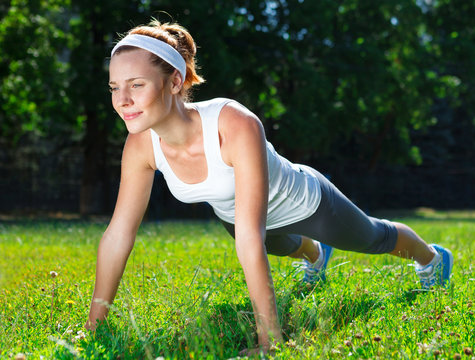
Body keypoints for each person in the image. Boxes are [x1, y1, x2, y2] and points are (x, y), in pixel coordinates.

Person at [85, 19, 453, 354]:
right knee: (279, 247)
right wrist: (94, 326)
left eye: (137, 85)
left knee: (373, 238)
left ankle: (433, 259)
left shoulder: (234, 123)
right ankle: (315, 256)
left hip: (305, 203)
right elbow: (118, 234)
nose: (122, 100)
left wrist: (269, 341)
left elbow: (250, 234)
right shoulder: (140, 146)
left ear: (175, 82)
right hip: (240, 218)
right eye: (115, 87)